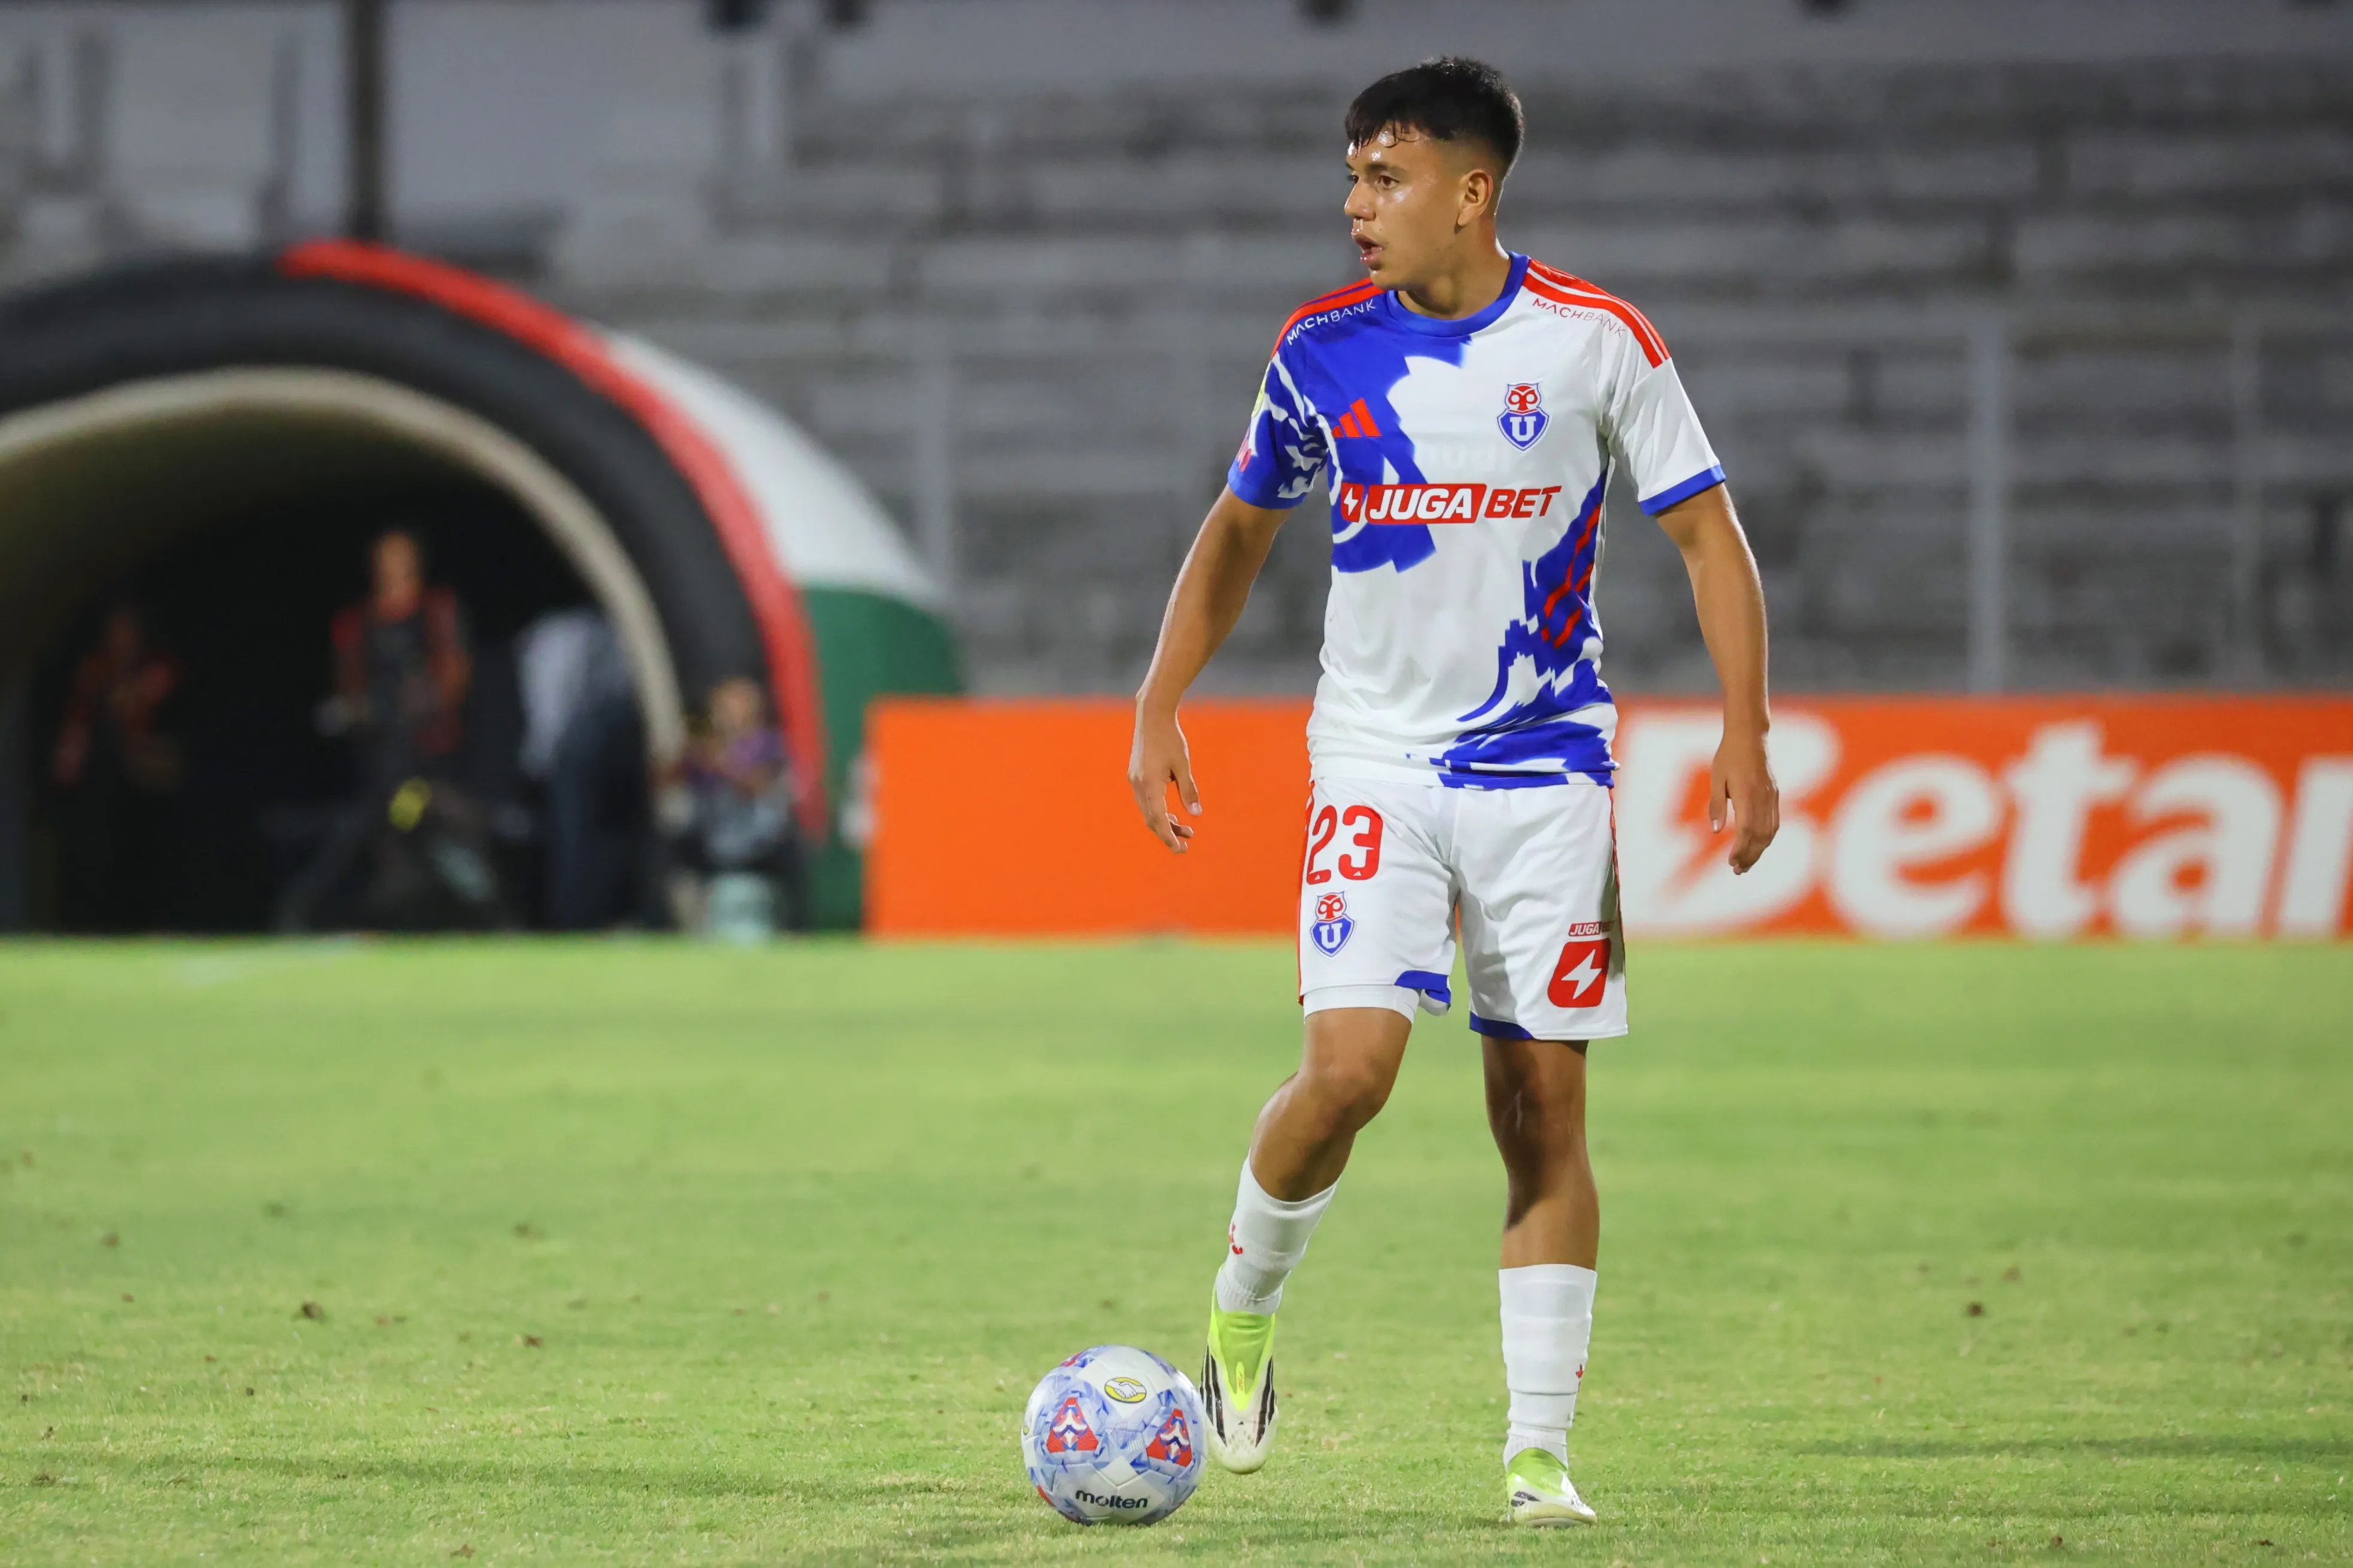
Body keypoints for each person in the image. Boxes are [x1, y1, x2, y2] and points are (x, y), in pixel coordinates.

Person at [1125, 59, 1780, 1527]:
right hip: (1373, 760)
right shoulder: (1319, 349)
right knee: (1349, 1071)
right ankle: (1241, 1318)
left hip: (1548, 772)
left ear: (1470, 194)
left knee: (1540, 1107)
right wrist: (1159, 703)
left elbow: (1708, 537)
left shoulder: (1593, 343)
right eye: (1352, 176)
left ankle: (1536, 1452)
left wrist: (1744, 734)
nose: (1356, 207)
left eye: (1387, 177)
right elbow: (1237, 529)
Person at [277, 529, 501, 931]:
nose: (394, 567)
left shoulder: (437, 611)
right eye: (386, 558)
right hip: (382, 764)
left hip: (433, 762)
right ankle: (333, 908)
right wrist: (365, 710)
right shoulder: (358, 623)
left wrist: (422, 699)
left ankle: (487, 910)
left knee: (427, 823)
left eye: (402, 557)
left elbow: (455, 675)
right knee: (389, 826)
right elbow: (350, 690)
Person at [50, 601, 183, 931]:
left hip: (144, 807)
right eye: (116, 633)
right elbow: (72, 753)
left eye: (129, 632)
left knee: (139, 883)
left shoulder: (157, 677)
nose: (122, 641)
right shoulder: (93, 677)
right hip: (97, 809)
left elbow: (168, 759)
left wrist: (138, 753)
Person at [664, 676, 805, 936]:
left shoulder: (768, 743)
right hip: (714, 841)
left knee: (796, 853)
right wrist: (690, 751)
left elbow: (756, 785)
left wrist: (720, 759)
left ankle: (797, 930)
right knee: (665, 847)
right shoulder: (706, 744)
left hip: (762, 843)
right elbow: (665, 779)